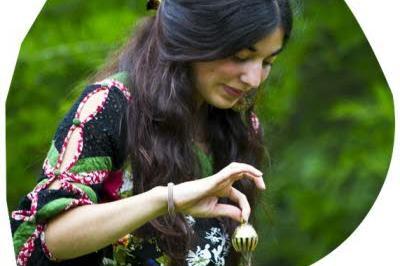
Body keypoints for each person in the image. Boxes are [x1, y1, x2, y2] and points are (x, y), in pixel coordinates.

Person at [10, 0, 293, 265]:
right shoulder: (110, 105)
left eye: (268, 63)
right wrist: (166, 200)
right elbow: (42, 240)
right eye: (240, 56)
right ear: (193, 35)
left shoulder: (241, 126)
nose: (253, 78)